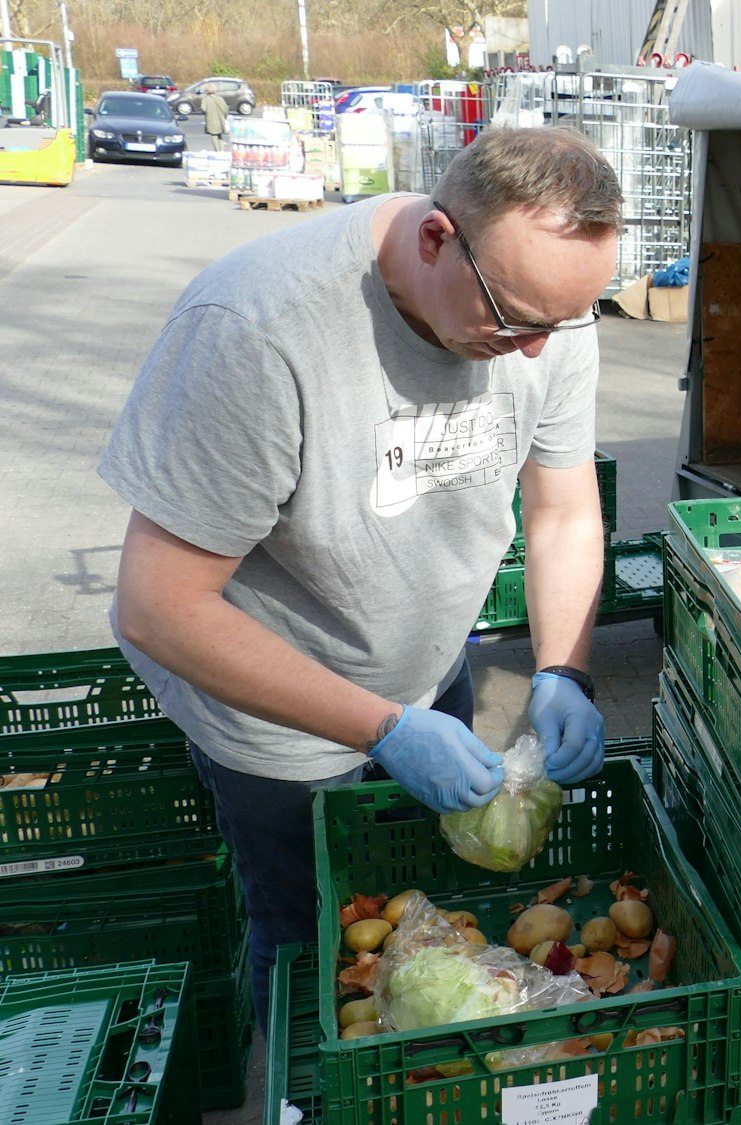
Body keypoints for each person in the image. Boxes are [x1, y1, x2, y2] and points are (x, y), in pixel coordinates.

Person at [98, 127, 622, 1027]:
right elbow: (159, 606)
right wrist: (381, 726)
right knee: (309, 948)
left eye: (564, 322)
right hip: (278, 718)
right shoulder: (259, 329)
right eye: (516, 319)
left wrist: (563, 669)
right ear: (436, 238)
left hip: (428, 678)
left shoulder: (545, 310)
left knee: (420, 923)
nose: (538, 349)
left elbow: (563, 512)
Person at [200, 85, 229, 151]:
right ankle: (222, 150)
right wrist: (224, 116)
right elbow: (226, 109)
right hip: (221, 119)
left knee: (213, 135)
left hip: (211, 120)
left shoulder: (205, 99)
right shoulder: (220, 98)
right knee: (220, 135)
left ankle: (217, 150)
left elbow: (203, 109)